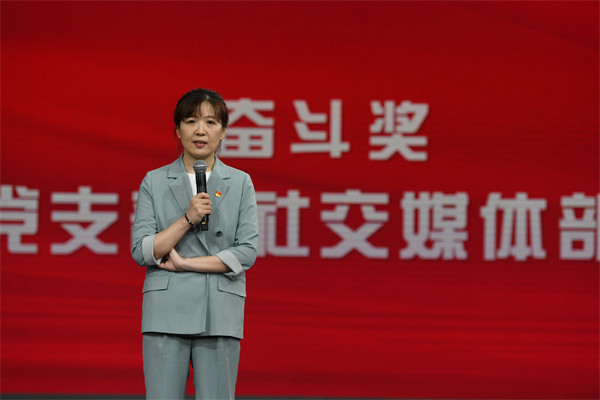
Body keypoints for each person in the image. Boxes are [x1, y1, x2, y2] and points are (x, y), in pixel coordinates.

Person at [131, 88, 258, 399]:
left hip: (219, 310)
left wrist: (186, 264)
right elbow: (143, 249)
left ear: (223, 131)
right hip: (165, 310)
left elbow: (246, 251)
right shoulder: (154, 181)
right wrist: (188, 218)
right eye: (191, 121)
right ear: (178, 130)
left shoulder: (240, 182)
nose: (200, 130)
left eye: (211, 122)